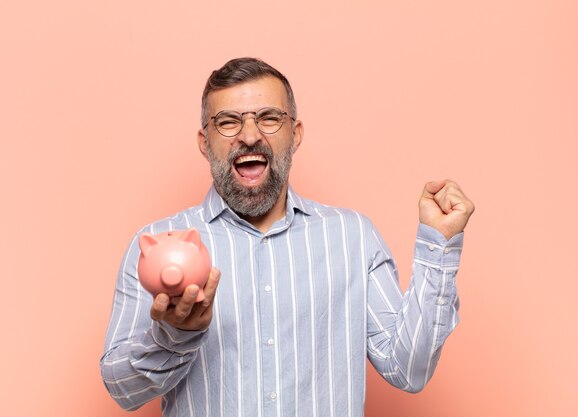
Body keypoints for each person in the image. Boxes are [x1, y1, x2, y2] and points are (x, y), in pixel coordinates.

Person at [100, 57, 475, 417]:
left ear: (294, 134)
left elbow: (409, 368)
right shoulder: (154, 246)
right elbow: (122, 391)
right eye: (228, 121)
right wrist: (174, 335)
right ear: (205, 142)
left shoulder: (352, 238)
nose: (249, 135)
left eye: (268, 118)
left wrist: (437, 246)